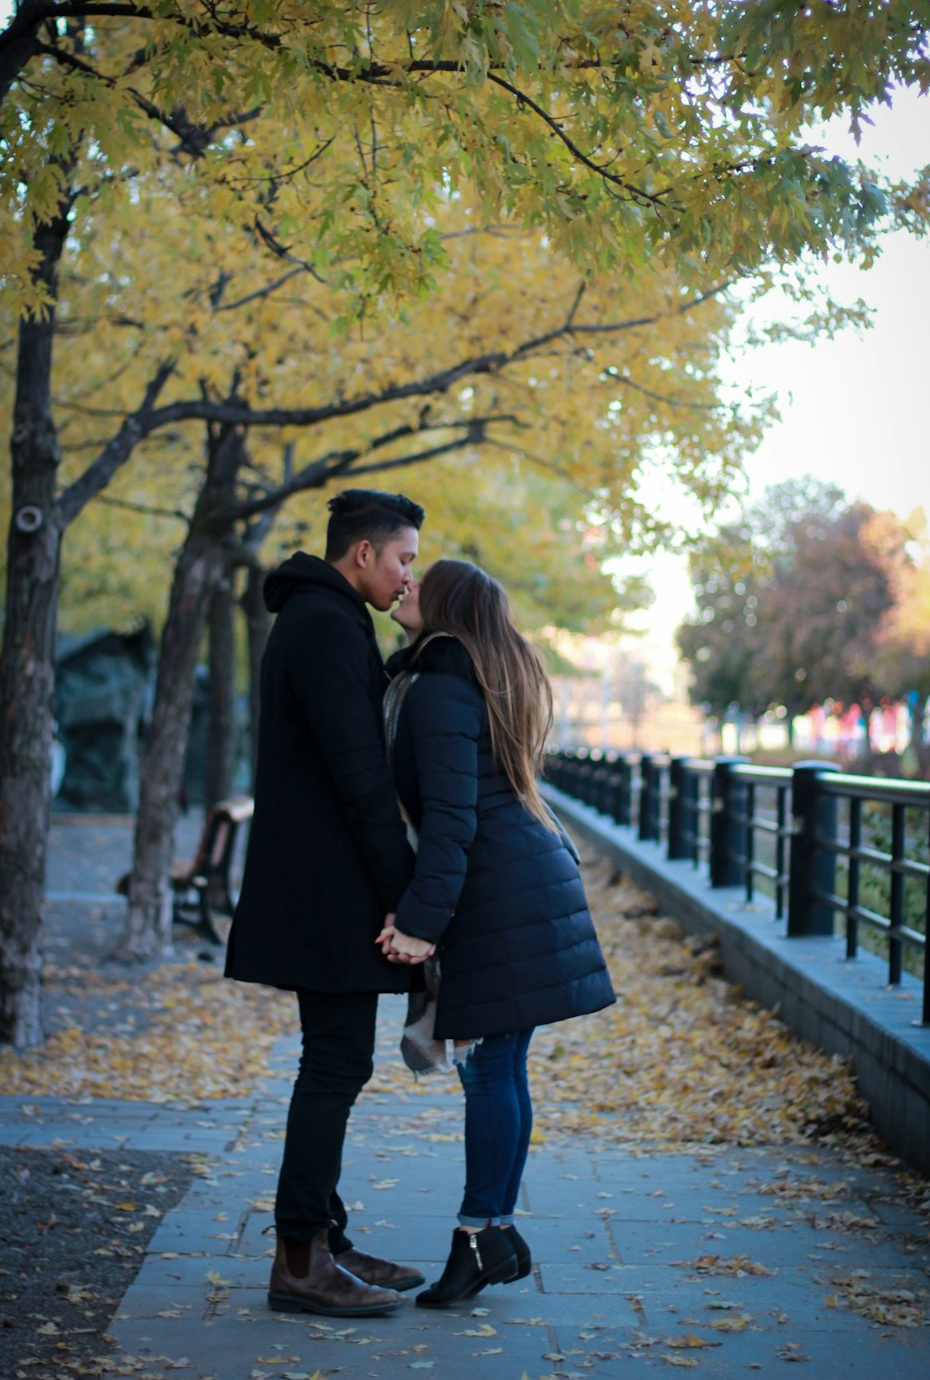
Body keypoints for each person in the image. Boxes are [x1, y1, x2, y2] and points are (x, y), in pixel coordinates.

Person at [377, 559, 616, 1306]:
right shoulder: (466, 680)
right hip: (516, 886)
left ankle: (479, 1238)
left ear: (447, 608)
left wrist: (419, 926)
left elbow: (452, 820)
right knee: (501, 1068)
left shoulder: (442, 689)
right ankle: (495, 1234)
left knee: (489, 1071)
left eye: (424, 579)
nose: (407, 583)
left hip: (500, 898)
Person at [225, 488, 426, 1318]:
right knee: (335, 1063)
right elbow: (361, 778)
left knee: (335, 1060)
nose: (409, 576)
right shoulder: (322, 624)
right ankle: (301, 1258)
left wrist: (413, 648)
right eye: (404, 559)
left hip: (319, 883)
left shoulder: (326, 621)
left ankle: (324, 1241)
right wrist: (410, 901)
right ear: (363, 554)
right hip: (326, 888)